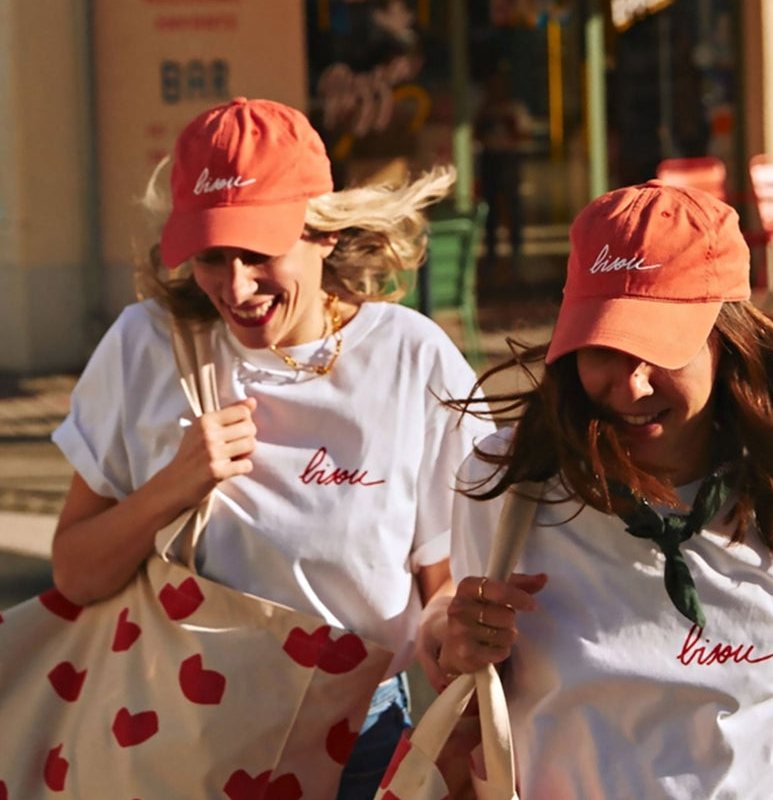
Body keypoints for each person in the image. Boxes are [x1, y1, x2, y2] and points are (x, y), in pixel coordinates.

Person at [50, 97, 493, 798]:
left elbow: (442, 588)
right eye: (211, 256)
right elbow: (75, 574)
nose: (235, 285)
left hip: (361, 745)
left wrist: (451, 641)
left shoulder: (411, 359)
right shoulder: (145, 347)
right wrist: (174, 485)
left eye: (258, 253)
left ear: (321, 233)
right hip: (175, 738)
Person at [418, 180, 773, 799]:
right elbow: (480, 702)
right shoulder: (504, 482)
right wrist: (457, 648)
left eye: (659, 348)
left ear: (731, 343)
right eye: (604, 349)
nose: (633, 385)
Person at [474, 68, 531, 269]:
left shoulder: (514, 108)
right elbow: (474, 133)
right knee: (490, 206)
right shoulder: (483, 109)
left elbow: (524, 134)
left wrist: (509, 123)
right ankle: (491, 249)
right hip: (491, 159)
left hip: (508, 158)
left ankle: (516, 248)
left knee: (513, 204)